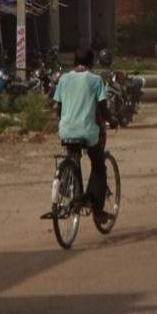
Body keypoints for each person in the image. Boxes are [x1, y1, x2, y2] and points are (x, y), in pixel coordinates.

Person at [52, 47, 113, 226]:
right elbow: (102, 108)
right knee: (99, 166)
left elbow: (58, 109)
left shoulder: (63, 79)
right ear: (92, 63)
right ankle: (98, 211)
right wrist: (113, 120)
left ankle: (72, 187)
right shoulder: (95, 80)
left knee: (73, 156)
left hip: (66, 130)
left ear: (74, 62)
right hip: (87, 131)